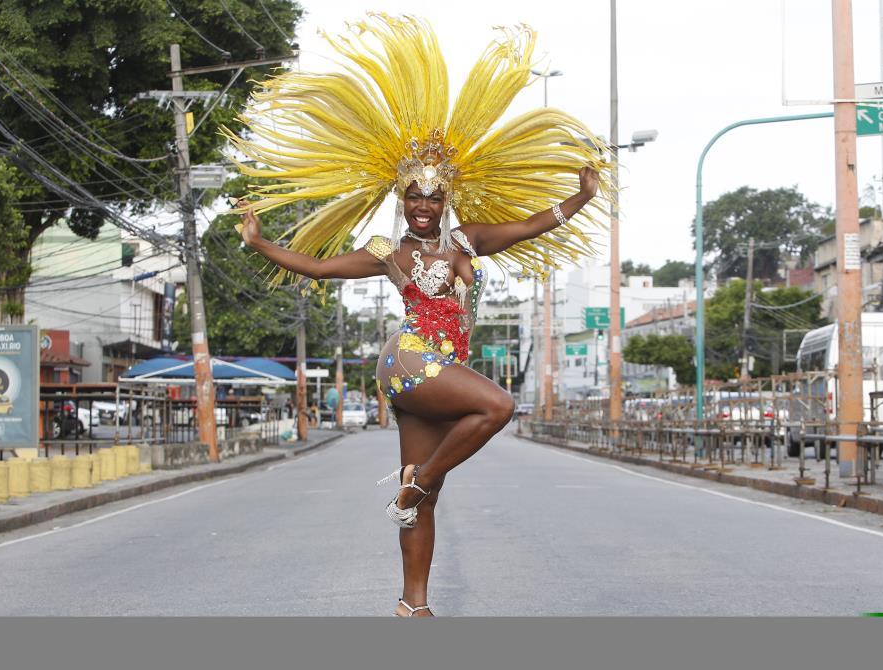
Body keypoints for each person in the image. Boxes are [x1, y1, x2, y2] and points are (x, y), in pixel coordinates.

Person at [229, 15, 610, 617]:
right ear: (402, 199)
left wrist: (581, 198)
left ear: (445, 199)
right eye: (414, 196)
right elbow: (318, 267)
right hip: (408, 360)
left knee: (426, 498)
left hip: (435, 370)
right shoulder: (390, 254)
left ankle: (414, 606)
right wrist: (258, 243)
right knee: (499, 407)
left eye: (433, 197)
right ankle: (417, 481)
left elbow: (536, 223)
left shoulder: (470, 240)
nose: (424, 206)